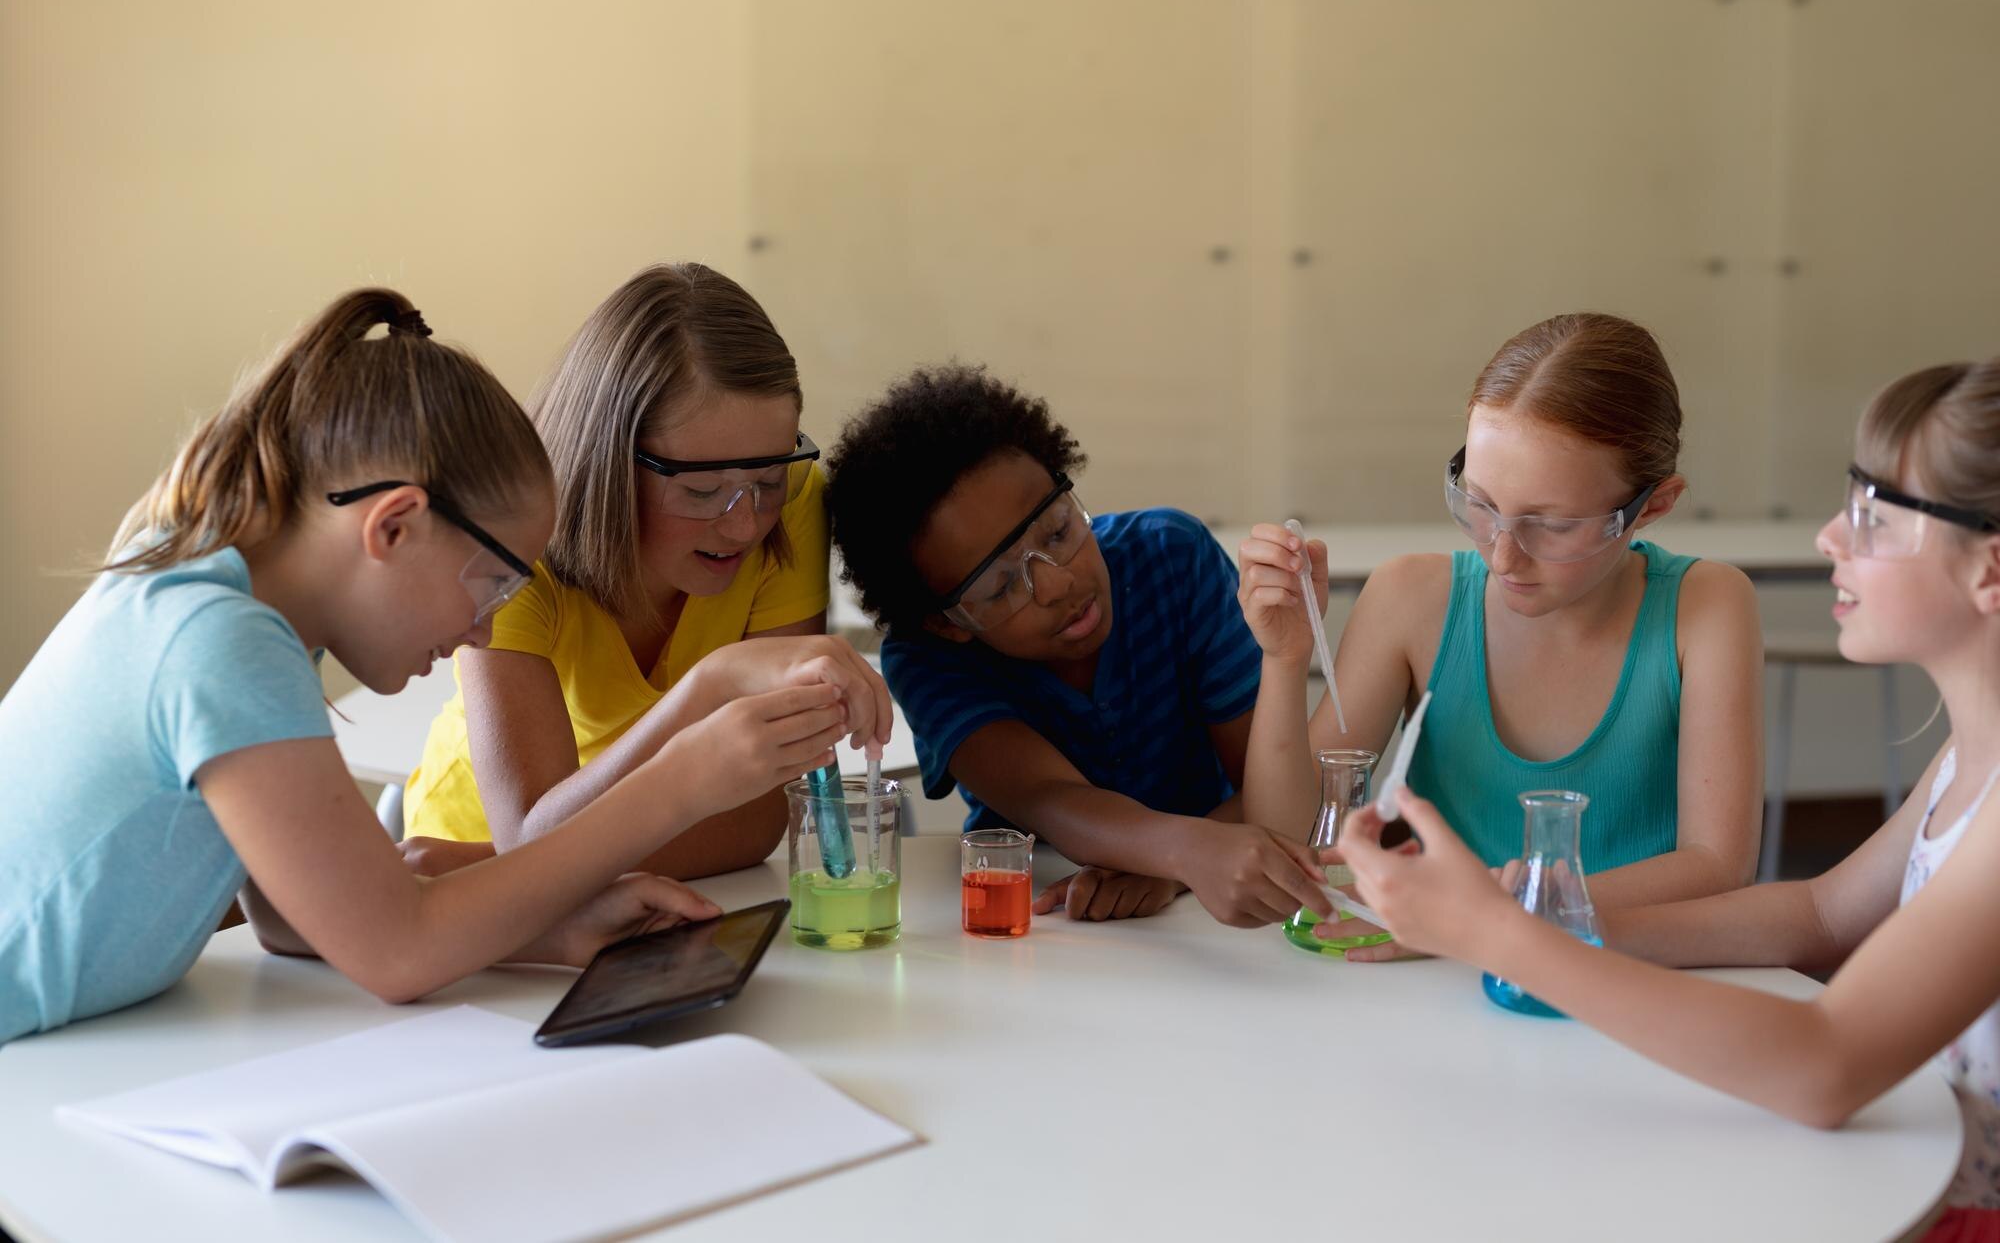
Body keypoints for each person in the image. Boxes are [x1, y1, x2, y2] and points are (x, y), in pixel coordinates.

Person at [0, 289, 856, 1044]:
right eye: (489, 584)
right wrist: (681, 779)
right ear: (393, 526)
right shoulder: (221, 640)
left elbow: (289, 911)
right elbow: (396, 952)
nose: (484, 634)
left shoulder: (215, 589)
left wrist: (548, 930)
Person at [1340, 359, 2000, 1240]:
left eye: (1874, 518)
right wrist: (1527, 914)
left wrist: (1503, 938)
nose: (1829, 538)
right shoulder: (1968, 757)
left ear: (1991, 569)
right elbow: (1818, 912)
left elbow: (1824, 1065)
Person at [1236, 313, 1762, 958]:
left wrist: (1484, 916)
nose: (1504, 556)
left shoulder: (1704, 606)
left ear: (1653, 505)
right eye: (1480, 505)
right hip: (1439, 979)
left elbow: (1718, 866)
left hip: (1633, 972)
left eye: (1554, 524)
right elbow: (1287, 838)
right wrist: (1284, 659)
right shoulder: (1412, 598)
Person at [398, 263, 887, 880]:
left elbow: (760, 819)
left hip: (471, 866)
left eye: (766, 479)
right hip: (461, 879)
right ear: (607, 465)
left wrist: (518, 863)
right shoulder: (516, 540)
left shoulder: (792, 502)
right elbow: (530, 837)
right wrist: (715, 684)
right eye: (704, 491)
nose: (745, 524)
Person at [826, 365, 1330, 927]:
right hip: (1041, 916)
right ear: (947, 622)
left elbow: (1269, 794)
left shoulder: (1172, 558)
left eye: (1060, 531)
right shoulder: (928, 658)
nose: (1060, 583)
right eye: (1001, 585)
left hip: (1211, 908)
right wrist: (1184, 851)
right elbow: (1049, 798)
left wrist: (1172, 867)